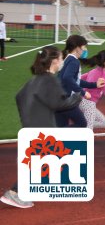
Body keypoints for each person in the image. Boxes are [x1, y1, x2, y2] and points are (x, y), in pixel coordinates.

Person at [1, 46, 82, 209]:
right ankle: (14, 193)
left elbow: (19, 96)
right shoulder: (51, 79)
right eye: (60, 58)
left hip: (31, 124)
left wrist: (28, 113)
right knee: (40, 160)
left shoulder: (36, 79)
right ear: (54, 61)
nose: (62, 62)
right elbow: (58, 104)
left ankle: (19, 191)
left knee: (39, 160)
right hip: (41, 126)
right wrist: (78, 97)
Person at [56, 35, 104, 127]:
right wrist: (83, 92)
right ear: (77, 47)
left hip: (58, 100)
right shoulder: (74, 61)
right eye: (84, 46)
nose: (85, 49)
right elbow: (67, 78)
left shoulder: (67, 59)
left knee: (61, 127)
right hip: (66, 101)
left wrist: (94, 85)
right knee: (82, 124)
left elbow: (75, 81)